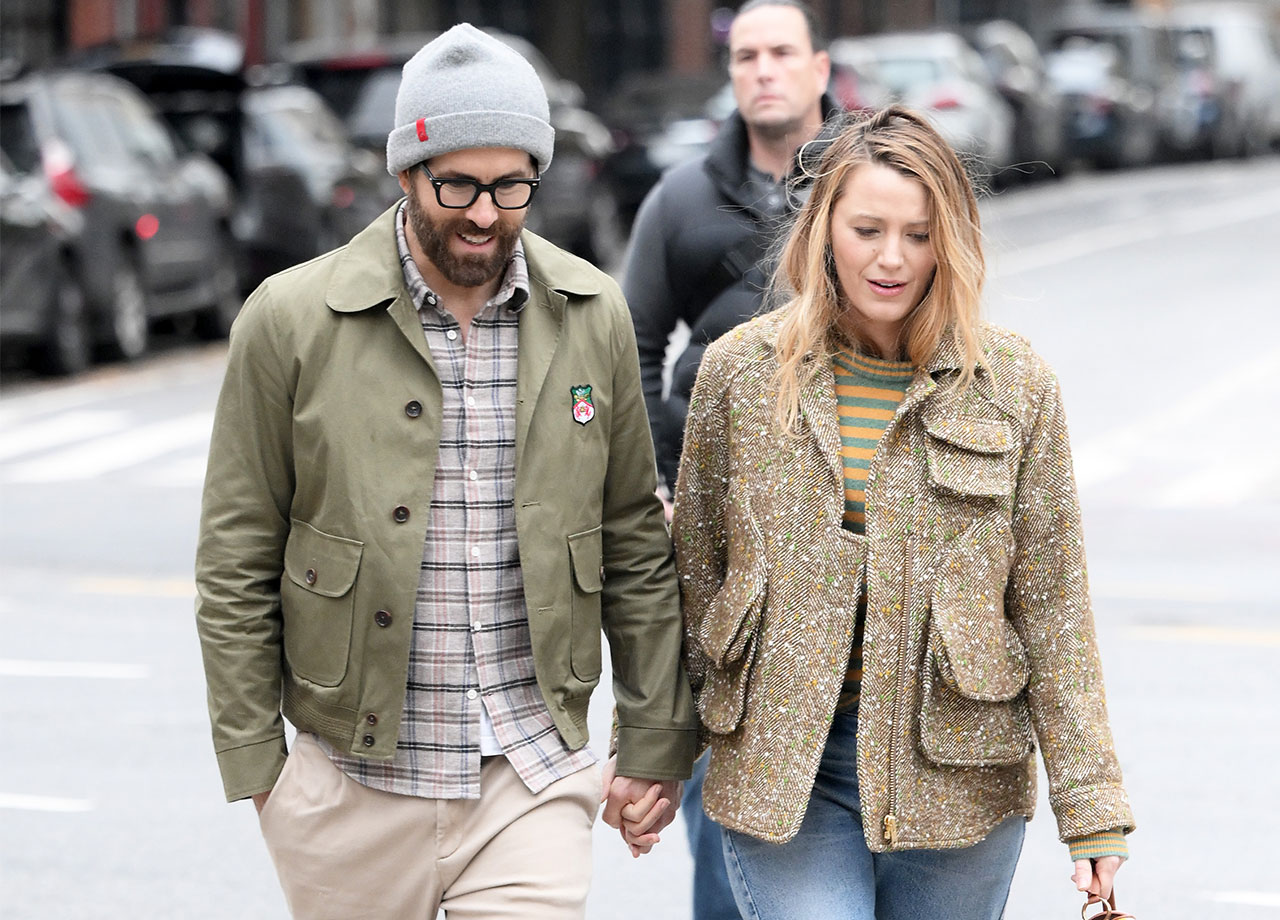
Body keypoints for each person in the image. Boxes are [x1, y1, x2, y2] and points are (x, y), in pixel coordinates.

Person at [194, 24, 696, 919]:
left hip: (530, 773)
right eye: (456, 183)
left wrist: (654, 735)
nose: (483, 212)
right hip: (349, 786)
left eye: (512, 185)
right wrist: (265, 778)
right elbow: (236, 559)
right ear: (404, 173)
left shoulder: (591, 311)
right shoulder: (290, 319)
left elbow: (631, 537)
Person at [671, 105, 1135, 920]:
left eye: (919, 235)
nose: (892, 258)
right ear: (823, 231)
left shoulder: (1016, 387)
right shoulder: (740, 374)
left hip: (958, 778)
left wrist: (1091, 810)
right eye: (867, 229)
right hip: (784, 770)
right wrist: (653, 756)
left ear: (949, 241)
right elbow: (694, 579)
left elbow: (1054, 608)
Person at [622, 3, 838, 916]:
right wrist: (656, 491)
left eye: (782, 53)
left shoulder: (865, 187)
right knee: (718, 755)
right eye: (746, 56)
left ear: (820, 68)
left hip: (836, 513)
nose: (764, 71)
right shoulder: (681, 197)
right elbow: (631, 344)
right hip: (711, 522)